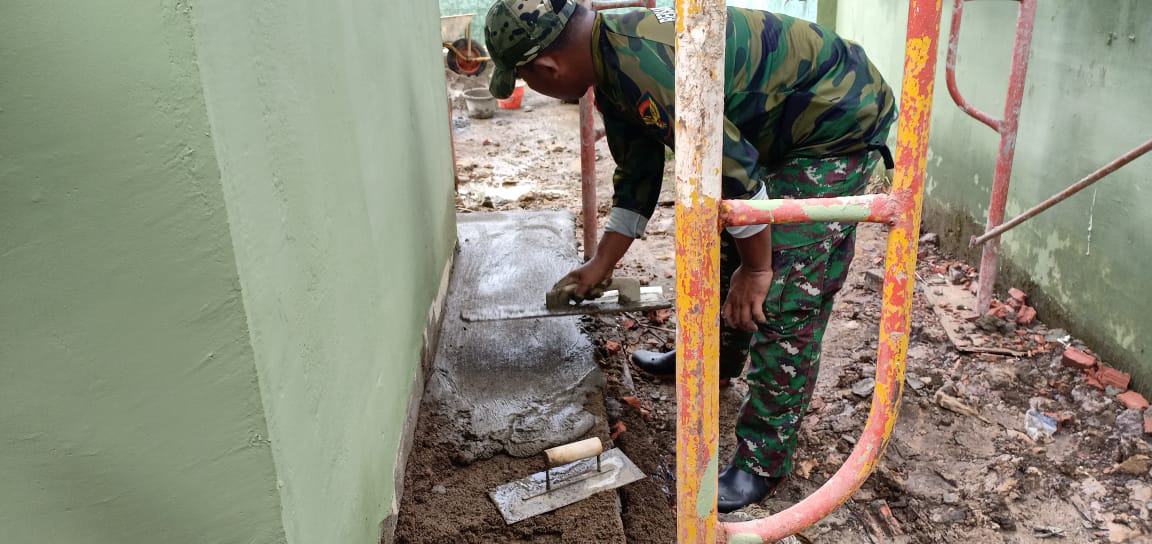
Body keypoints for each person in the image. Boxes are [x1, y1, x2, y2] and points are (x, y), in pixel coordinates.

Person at [484, 0, 895, 512]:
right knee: (727, 239)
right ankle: (717, 361)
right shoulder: (609, 61)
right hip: (776, 129)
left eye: (525, 78)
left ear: (547, 69)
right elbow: (637, 179)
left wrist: (759, 267)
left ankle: (762, 463)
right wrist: (600, 266)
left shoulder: (650, 67)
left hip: (836, 124)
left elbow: (734, 173)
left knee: (784, 292)